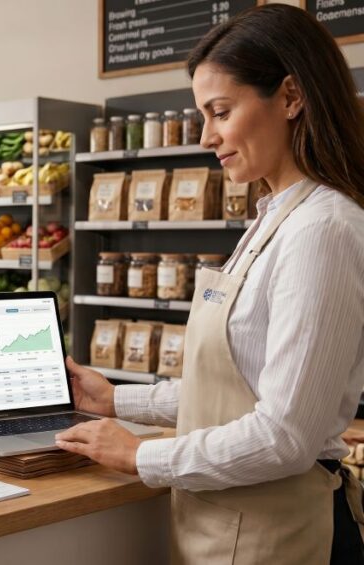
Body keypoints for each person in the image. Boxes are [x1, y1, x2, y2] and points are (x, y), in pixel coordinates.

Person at [55, 5, 364, 564]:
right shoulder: (275, 216)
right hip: (233, 523)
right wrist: (114, 398)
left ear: (291, 98)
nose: (205, 136)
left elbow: (285, 437)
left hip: (281, 534)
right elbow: (241, 385)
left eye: (220, 111)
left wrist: (141, 456)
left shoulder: (323, 230)